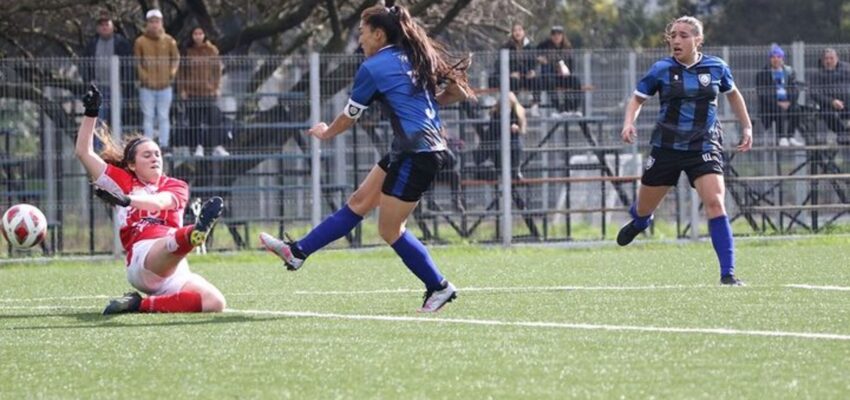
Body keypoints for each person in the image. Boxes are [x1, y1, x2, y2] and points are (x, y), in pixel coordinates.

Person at [258, 4, 474, 312]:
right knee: (359, 202)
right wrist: (427, 105)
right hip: (415, 147)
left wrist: (325, 132)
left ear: (378, 33)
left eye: (362, 32)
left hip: (418, 152)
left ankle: (439, 287)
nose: (359, 39)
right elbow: (460, 93)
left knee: (389, 230)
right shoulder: (414, 53)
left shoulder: (374, 67)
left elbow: (348, 118)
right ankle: (298, 252)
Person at [617, 16, 753, 286]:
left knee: (715, 202)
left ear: (697, 40)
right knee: (642, 210)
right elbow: (637, 98)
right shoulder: (661, 69)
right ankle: (642, 221)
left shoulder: (716, 67)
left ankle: (728, 274)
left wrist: (747, 127)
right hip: (666, 148)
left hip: (704, 145)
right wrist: (628, 123)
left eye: (683, 35)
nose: (676, 40)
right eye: (673, 35)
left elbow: (734, 94)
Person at [74, 84, 226, 314]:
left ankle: (138, 305)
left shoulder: (176, 185)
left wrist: (127, 200)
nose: (155, 158)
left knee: (215, 303)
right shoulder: (123, 180)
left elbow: (161, 202)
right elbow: (84, 153)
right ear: (132, 165)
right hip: (143, 258)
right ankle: (195, 233)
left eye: (157, 154)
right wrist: (91, 113)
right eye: (147, 155)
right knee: (171, 240)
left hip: (175, 267)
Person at [177, 26, 229, 157]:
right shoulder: (187, 51)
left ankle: (216, 146)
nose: (198, 36)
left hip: (208, 92)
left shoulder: (212, 50)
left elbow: (217, 71)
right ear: (192, 36)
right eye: (195, 33)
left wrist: (216, 87)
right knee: (195, 122)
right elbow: (181, 72)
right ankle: (197, 147)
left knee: (214, 119)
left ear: (204, 35)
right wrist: (183, 89)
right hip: (192, 92)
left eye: (200, 33)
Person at [134, 9, 180, 151]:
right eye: (151, 22)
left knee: (163, 116)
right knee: (148, 116)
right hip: (146, 86)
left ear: (161, 23)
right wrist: (144, 77)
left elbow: (176, 58)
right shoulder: (140, 41)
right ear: (147, 23)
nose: (154, 24)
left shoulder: (169, 41)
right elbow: (137, 62)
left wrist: (171, 73)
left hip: (165, 86)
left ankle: (164, 144)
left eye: (157, 21)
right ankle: (148, 144)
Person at [82, 12, 133, 123]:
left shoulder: (121, 43)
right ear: (97, 28)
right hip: (98, 88)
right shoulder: (92, 44)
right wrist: (89, 81)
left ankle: (115, 140)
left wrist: (123, 84)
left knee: (117, 119)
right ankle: (98, 141)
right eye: (101, 25)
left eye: (107, 24)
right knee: (99, 119)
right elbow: (85, 64)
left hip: (116, 88)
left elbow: (128, 65)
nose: (104, 27)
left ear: (113, 27)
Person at [755, 44, 802, 146]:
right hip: (770, 106)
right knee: (779, 109)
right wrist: (778, 102)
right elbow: (763, 94)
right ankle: (782, 137)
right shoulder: (762, 74)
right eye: (773, 57)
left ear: (782, 59)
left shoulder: (790, 72)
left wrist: (789, 102)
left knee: (796, 109)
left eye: (778, 57)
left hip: (787, 103)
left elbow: (795, 89)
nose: (776, 59)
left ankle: (790, 136)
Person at [473, 91, 527, 180]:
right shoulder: (496, 112)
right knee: (498, 146)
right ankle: (501, 170)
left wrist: (516, 128)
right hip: (498, 138)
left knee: (517, 146)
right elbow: (494, 128)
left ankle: (515, 171)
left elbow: (522, 129)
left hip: (512, 139)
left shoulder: (517, 112)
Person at [536, 25, 583, 117]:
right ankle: (559, 109)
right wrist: (539, 58)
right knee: (549, 82)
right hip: (550, 76)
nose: (556, 37)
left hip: (563, 76)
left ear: (562, 36)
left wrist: (565, 69)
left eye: (559, 34)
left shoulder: (567, 47)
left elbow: (571, 65)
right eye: (554, 34)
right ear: (551, 36)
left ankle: (574, 108)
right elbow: (533, 53)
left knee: (575, 81)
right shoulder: (544, 45)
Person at [490, 22, 537, 114]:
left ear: (524, 32)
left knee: (536, 80)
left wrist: (532, 71)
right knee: (513, 82)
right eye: (515, 30)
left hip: (525, 76)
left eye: (520, 30)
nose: (517, 33)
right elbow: (499, 65)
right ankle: (513, 107)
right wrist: (510, 73)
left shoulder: (530, 47)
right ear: (512, 33)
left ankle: (535, 104)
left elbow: (533, 62)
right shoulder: (506, 47)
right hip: (511, 77)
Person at [809, 48, 850, 145]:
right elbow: (814, 93)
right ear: (822, 60)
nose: (829, 61)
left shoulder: (847, 69)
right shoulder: (817, 74)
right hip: (829, 105)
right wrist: (832, 101)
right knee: (826, 113)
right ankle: (843, 134)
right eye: (826, 59)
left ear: (837, 58)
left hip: (848, 103)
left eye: (831, 58)